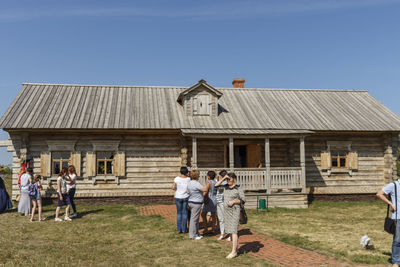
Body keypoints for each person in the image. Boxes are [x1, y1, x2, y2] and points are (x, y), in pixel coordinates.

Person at [215, 172, 246, 259]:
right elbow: (216, 186)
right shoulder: (225, 187)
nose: (228, 180)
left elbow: (243, 200)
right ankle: (235, 248)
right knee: (231, 230)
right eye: (227, 179)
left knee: (234, 231)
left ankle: (233, 252)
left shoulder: (238, 188)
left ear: (234, 179)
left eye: (230, 179)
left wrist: (234, 201)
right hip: (227, 212)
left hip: (235, 211)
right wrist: (223, 179)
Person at [377, 180, 400, 267]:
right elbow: (379, 194)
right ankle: (396, 262)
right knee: (398, 240)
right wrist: (391, 204)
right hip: (398, 217)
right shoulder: (393, 185)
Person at [187, 170, 208, 240]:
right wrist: (206, 184)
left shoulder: (189, 183)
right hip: (196, 203)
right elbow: (205, 189)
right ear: (197, 176)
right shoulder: (196, 183)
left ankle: (196, 233)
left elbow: (187, 191)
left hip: (191, 201)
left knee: (194, 219)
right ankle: (192, 235)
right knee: (194, 219)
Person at [172, 166, 190, 233]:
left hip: (178, 197)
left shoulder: (176, 178)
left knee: (179, 213)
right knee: (185, 213)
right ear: (186, 172)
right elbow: (189, 189)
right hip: (185, 197)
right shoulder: (188, 179)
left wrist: (176, 188)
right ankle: (184, 229)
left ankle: (179, 229)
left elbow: (173, 187)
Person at [201, 170, 218, 234]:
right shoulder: (216, 182)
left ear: (208, 176)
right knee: (213, 214)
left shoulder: (208, 182)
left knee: (203, 214)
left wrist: (204, 197)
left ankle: (206, 229)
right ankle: (213, 229)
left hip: (209, 199)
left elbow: (206, 191)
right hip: (215, 198)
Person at [216, 169, 228, 240]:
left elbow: (217, 186)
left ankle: (230, 234)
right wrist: (221, 179)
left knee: (226, 219)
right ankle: (222, 234)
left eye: (219, 176)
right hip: (218, 202)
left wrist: (223, 179)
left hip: (223, 202)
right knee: (221, 219)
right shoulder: (219, 182)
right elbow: (216, 185)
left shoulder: (226, 183)